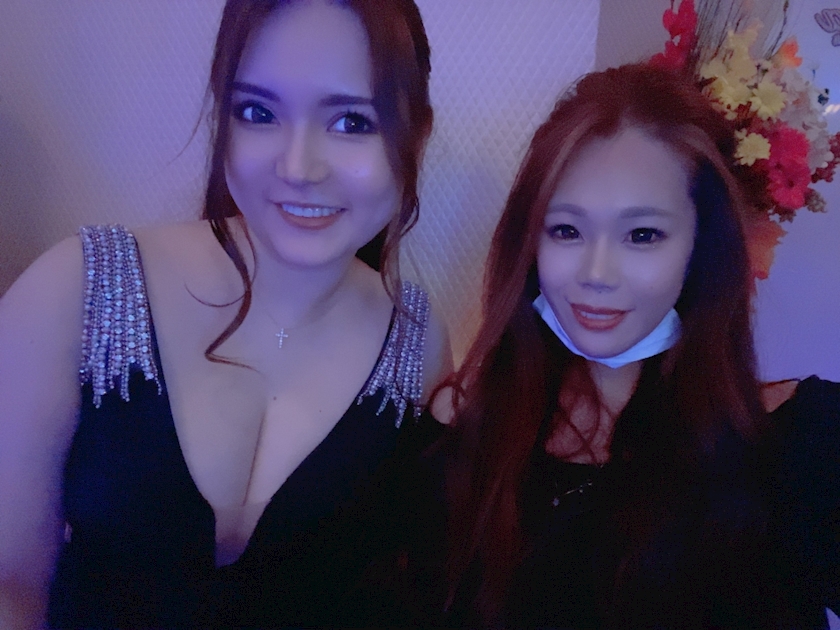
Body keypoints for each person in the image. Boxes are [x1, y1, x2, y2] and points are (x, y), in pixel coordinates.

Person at [0, 0, 451, 626]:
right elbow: (11, 586)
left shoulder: (416, 342)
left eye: (352, 122)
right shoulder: (78, 287)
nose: (298, 168)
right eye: (258, 112)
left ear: (418, 134)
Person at [439, 63, 840, 628]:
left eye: (643, 235)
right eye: (566, 230)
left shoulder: (805, 445)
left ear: (702, 246)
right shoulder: (468, 430)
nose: (596, 274)